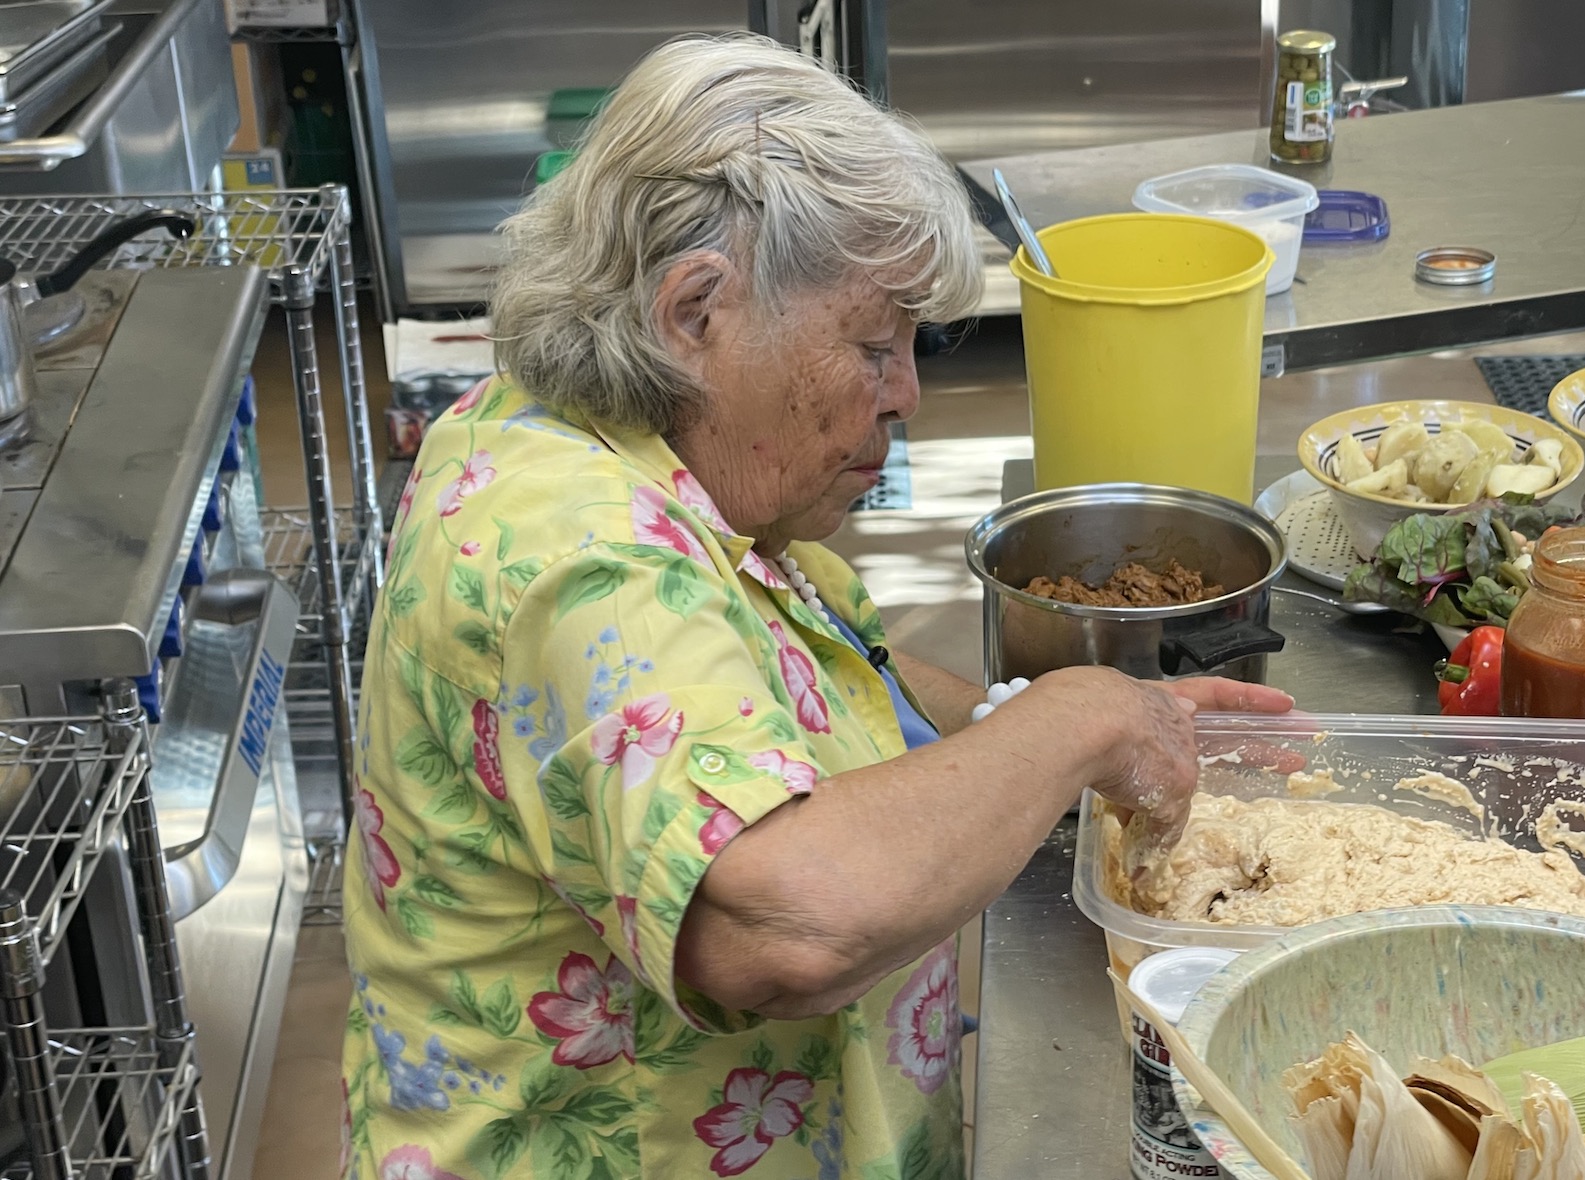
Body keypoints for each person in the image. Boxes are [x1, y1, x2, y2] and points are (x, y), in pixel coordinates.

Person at [339, 33, 1292, 1180]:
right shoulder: (576, 559)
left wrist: (1056, 729)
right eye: (873, 343)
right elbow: (788, 922)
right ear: (696, 311)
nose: (907, 395)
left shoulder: (633, 443)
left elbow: (839, 676)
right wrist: (1076, 718)